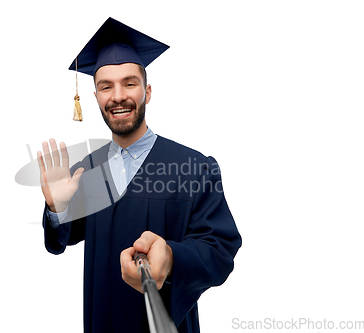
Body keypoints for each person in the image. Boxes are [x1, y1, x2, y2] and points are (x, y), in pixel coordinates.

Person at [37, 17, 241, 333]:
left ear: (147, 91)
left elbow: (220, 249)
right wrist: (58, 209)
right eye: (106, 86)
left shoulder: (193, 167)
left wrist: (171, 257)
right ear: (96, 98)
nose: (118, 96)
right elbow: (58, 243)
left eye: (129, 83)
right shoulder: (87, 170)